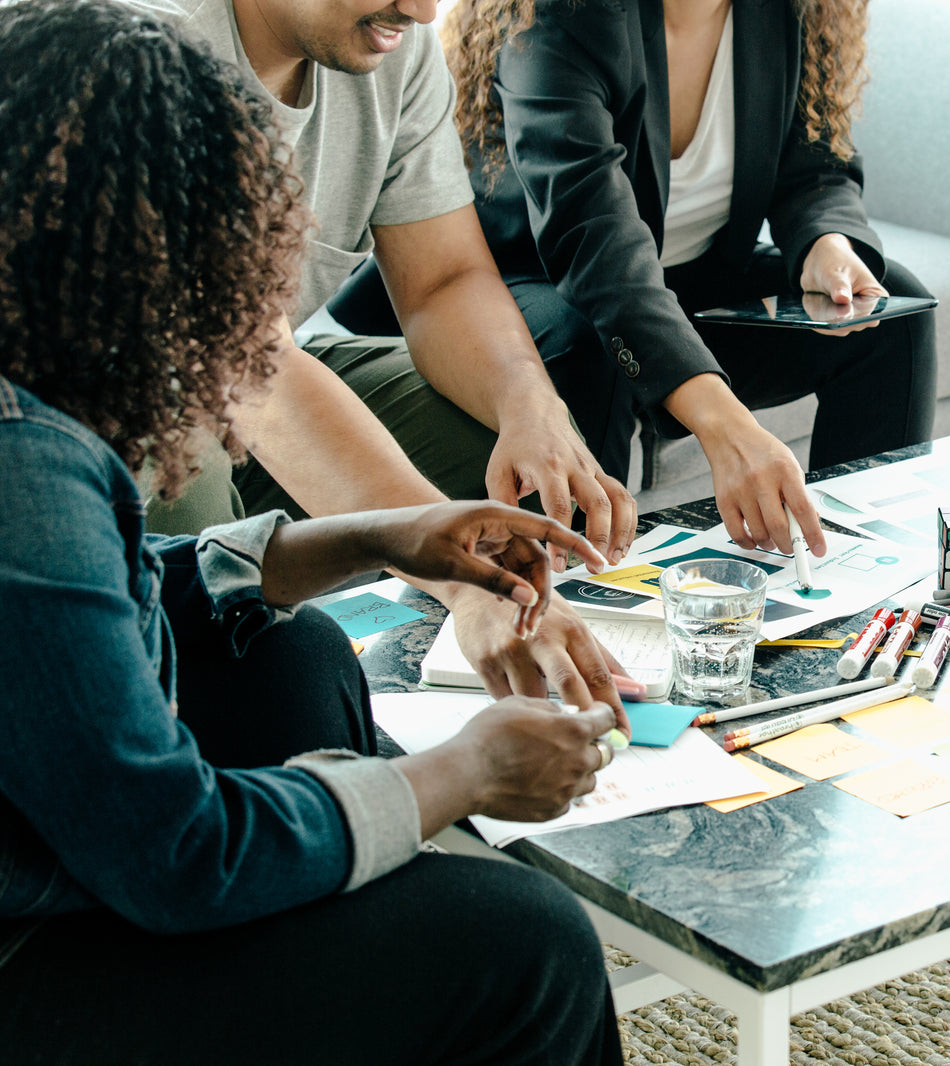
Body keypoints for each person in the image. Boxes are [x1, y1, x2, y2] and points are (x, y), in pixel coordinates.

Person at [0, 5, 626, 1062]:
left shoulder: (39, 417)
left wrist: (371, 538)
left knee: (287, 651)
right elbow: (178, 853)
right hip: (30, 960)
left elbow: (83, 612)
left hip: (57, 861)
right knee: (528, 941)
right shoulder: (23, 469)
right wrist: (461, 774)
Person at [120, 0, 639, 711]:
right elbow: (244, 365)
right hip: (97, 424)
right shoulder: (142, 44)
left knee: (520, 465)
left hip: (254, 386)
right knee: (194, 515)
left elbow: (441, 281)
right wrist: (462, 579)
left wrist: (528, 403)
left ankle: (435, 694)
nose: (424, 10)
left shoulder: (389, 44)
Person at [400, 0, 939, 558]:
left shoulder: (793, 9)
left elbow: (816, 166)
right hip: (545, 283)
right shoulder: (561, 11)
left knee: (891, 318)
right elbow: (592, 234)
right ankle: (586, 596)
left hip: (694, 278)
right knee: (588, 342)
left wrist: (826, 244)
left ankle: (863, 572)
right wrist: (724, 426)